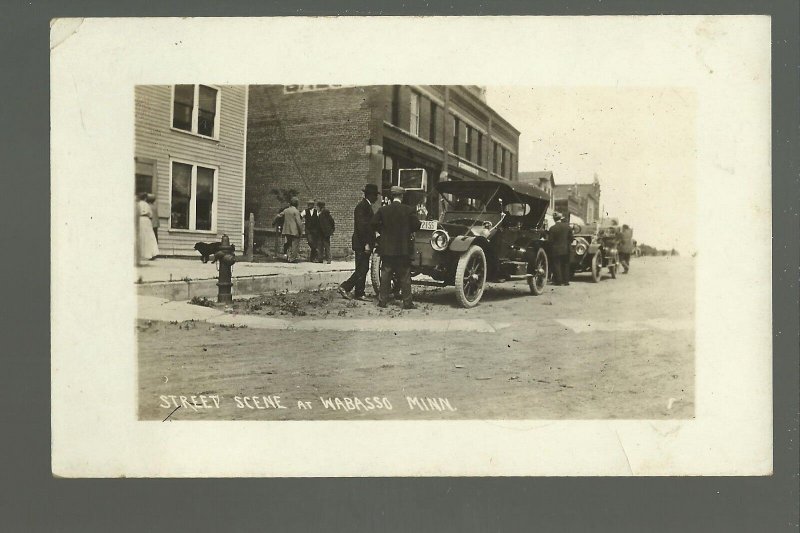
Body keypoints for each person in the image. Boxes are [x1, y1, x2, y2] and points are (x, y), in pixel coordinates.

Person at [371, 185, 421, 309]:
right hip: (403, 249)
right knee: (404, 276)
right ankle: (407, 303)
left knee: (386, 274)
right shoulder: (408, 210)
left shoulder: (383, 210)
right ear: (402, 196)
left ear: (392, 196)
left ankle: (382, 301)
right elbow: (417, 226)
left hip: (387, 249)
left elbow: (373, 223)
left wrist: (381, 232)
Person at [338, 183, 379, 301]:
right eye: (375, 195)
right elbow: (362, 227)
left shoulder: (366, 206)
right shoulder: (362, 207)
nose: (376, 197)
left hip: (362, 243)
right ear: (370, 195)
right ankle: (345, 287)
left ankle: (359, 292)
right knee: (362, 268)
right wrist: (366, 243)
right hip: (361, 244)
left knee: (362, 268)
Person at [548, 212, 572, 286]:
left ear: (554, 219)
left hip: (556, 250)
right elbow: (571, 238)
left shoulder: (552, 228)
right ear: (561, 218)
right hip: (566, 249)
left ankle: (558, 281)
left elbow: (550, 241)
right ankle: (566, 281)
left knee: (557, 265)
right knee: (565, 265)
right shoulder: (568, 227)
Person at [136, 192, 159, 261]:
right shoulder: (147, 205)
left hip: (140, 219)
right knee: (149, 236)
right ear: (145, 198)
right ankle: (150, 253)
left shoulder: (138, 204)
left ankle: (140, 254)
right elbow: (150, 214)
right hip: (146, 220)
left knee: (140, 236)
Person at [279, 197, 303, 263]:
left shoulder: (286, 210)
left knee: (289, 244)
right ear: (297, 204)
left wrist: (274, 222)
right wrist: (301, 231)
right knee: (295, 245)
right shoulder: (296, 211)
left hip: (287, 231)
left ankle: (289, 257)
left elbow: (279, 216)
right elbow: (299, 222)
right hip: (294, 231)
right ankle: (292, 259)